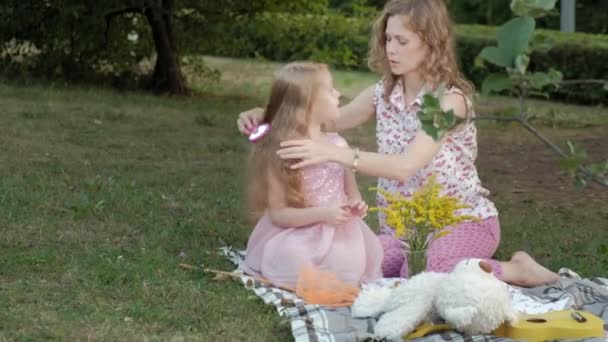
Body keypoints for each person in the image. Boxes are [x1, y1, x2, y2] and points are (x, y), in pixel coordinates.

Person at [237, 0, 560, 287]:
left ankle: (517, 269)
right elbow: (326, 120)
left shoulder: (451, 103)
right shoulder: (383, 93)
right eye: (388, 39)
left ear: (431, 43)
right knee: (360, 268)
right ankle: (418, 265)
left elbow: (406, 166)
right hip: (401, 232)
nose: (391, 49)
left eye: (402, 41)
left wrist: (335, 153)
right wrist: (267, 117)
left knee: (435, 269)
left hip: (464, 221)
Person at [242, 61, 383, 289]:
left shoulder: (338, 145)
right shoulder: (283, 149)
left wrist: (356, 207)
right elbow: (278, 215)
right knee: (292, 254)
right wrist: (322, 214)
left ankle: (325, 276)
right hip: (296, 231)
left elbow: (352, 194)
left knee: (349, 262)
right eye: (330, 89)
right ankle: (305, 274)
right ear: (308, 103)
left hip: (339, 234)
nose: (337, 93)